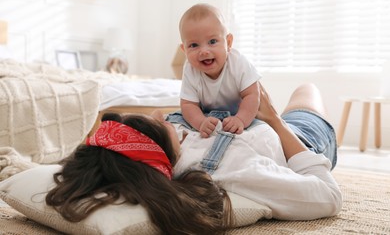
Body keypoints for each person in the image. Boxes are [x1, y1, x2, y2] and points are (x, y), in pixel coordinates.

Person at [46, 83, 342, 234]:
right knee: (307, 89)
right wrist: (276, 119)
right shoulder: (230, 170)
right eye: (160, 124)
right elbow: (328, 196)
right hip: (296, 137)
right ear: (156, 150)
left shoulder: (153, 154)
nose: (161, 115)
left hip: (244, 121)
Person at [179, 3, 262, 138]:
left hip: (242, 112)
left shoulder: (238, 62)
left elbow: (252, 95)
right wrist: (201, 123)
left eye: (212, 41)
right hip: (207, 115)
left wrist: (241, 119)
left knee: (261, 127)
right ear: (184, 50)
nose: (204, 51)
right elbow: (188, 104)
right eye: (194, 45)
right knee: (177, 119)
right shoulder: (190, 69)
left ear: (228, 43)